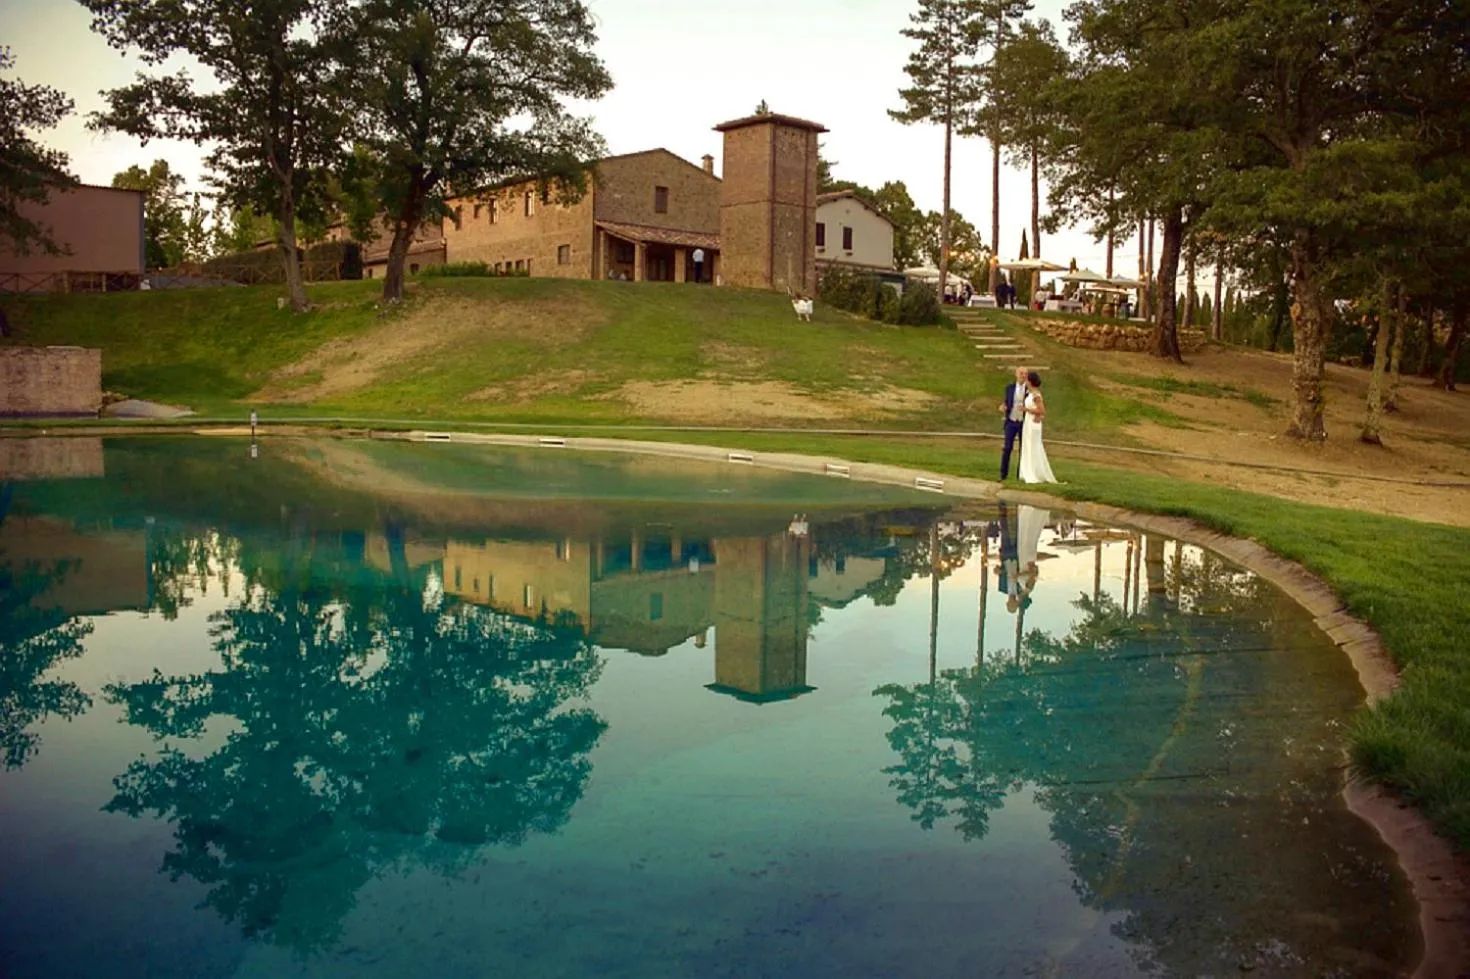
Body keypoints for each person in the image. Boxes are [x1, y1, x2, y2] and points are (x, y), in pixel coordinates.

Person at [1017, 370, 1058, 484]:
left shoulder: (1036, 395)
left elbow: (1042, 410)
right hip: (1028, 422)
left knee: (1033, 445)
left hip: (1033, 423)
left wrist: (1026, 410)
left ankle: (1035, 472)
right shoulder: (1030, 394)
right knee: (1027, 445)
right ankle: (1028, 471)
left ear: (1030, 381)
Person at [997, 365, 1028, 480]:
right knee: (1007, 448)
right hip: (1011, 421)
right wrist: (1003, 407)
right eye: (1021, 373)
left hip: (1023, 422)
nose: (1023, 376)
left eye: (1025, 374)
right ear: (1016, 374)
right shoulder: (1009, 388)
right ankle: (1003, 474)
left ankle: (1020, 475)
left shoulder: (1029, 390)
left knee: (1023, 449)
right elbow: (1007, 402)